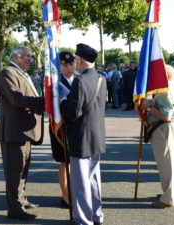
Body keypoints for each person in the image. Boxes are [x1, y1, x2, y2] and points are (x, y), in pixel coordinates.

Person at [0, 46, 45, 220]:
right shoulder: (7, 73)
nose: (30, 59)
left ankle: (21, 200)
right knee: (14, 172)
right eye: (26, 56)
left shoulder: (22, 74)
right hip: (14, 132)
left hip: (24, 132)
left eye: (31, 57)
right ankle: (15, 208)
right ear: (15, 56)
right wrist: (45, 102)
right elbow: (16, 99)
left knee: (22, 171)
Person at [60, 43, 106, 225]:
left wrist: (63, 101)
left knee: (81, 183)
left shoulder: (80, 81)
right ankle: (97, 215)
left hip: (81, 137)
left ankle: (83, 219)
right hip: (97, 136)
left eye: (76, 60)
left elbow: (73, 113)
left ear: (79, 60)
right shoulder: (101, 78)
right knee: (94, 179)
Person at [140, 64, 174, 208]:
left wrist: (149, 107)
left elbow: (166, 116)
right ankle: (171, 192)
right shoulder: (173, 87)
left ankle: (169, 198)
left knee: (167, 164)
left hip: (165, 128)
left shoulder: (166, 90)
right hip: (171, 128)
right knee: (171, 163)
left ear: (166, 76)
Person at [49, 51, 75, 207]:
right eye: (65, 65)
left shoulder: (77, 80)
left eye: (72, 64)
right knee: (65, 163)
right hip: (60, 128)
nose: (69, 68)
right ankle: (66, 197)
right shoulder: (55, 83)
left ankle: (73, 193)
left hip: (75, 129)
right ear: (59, 66)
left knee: (73, 163)